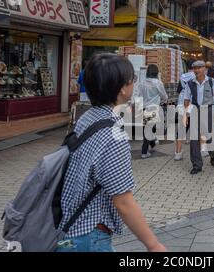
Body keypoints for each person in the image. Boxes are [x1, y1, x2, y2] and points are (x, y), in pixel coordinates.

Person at [57, 53, 166, 252]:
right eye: (131, 79)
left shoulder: (86, 118)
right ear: (123, 88)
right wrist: (153, 244)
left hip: (68, 229)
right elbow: (123, 201)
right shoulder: (113, 133)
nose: (134, 83)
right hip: (89, 236)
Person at [184, 60, 214, 175]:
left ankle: (212, 154)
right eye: (194, 68)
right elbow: (186, 99)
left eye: (199, 68)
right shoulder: (190, 83)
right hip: (195, 111)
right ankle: (197, 165)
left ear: (204, 69)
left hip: (209, 110)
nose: (196, 70)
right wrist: (187, 113)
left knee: (210, 137)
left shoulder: (211, 82)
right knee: (194, 139)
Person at [137, 64, 168, 159]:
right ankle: (144, 151)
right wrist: (163, 101)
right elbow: (164, 96)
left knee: (148, 127)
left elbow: (139, 96)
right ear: (156, 72)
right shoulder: (158, 83)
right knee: (149, 129)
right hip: (155, 108)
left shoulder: (142, 83)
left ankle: (153, 142)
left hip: (145, 108)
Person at [174, 58, 196, 161]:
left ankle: (178, 153)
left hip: (182, 103)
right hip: (192, 104)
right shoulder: (197, 77)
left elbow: (179, 90)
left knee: (182, 128)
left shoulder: (182, 76)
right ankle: (200, 151)